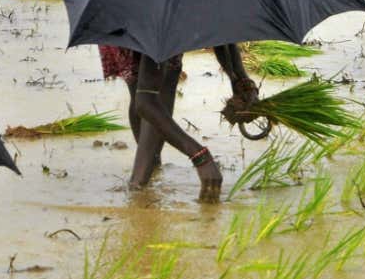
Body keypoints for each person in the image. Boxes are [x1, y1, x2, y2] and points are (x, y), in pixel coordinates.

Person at [99, 43, 257, 202]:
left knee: (148, 79)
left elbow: (219, 30)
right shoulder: (159, 31)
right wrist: (201, 157)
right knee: (152, 80)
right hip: (143, 28)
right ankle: (138, 189)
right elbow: (145, 101)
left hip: (159, 30)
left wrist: (240, 81)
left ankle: (146, 172)